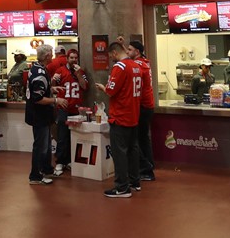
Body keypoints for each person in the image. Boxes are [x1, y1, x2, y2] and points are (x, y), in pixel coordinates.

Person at [96, 42, 141, 198]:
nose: (111, 59)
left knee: (119, 152)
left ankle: (122, 187)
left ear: (114, 53)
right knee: (132, 150)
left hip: (121, 115)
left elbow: (111, 90)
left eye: (110, 56)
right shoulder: (136, 66)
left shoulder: (120, 67)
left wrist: (103, 87)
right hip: (134, 114)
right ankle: (134, 181)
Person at [26, 45, 67, 185]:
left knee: (47, 144)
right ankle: (35, 175)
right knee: (41, 146)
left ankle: (46, 168)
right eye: (51, 54)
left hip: (42, 115)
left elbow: (39, 91)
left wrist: (52, 89)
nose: (53, 57)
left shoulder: (38, 68)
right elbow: (38, 99)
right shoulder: (40, 74)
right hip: (39, 115)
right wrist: (56, 100)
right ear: (48, 56)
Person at [53, 48, 89, 176]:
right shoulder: (60, 71)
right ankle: (60, 161)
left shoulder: (81, 71)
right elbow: (52, 88)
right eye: (71, 58)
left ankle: (69, 160)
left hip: (76, 109)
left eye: (75, 58)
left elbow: (84, 86)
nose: (74, 60)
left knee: (74, 137)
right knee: (62, 136)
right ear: (67, 58)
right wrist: (53, 79)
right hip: (64, 108)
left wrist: (79, 74)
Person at [126, 41, 156, 181]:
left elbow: (126, 64)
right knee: (144, 139)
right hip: (148, 106)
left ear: (137, 52)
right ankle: (148, 167)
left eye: (130, 49)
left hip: (142, 107)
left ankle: (146, 169)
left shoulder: (138, 66)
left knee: (137, 139)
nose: (127, 52)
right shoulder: (145, 62)